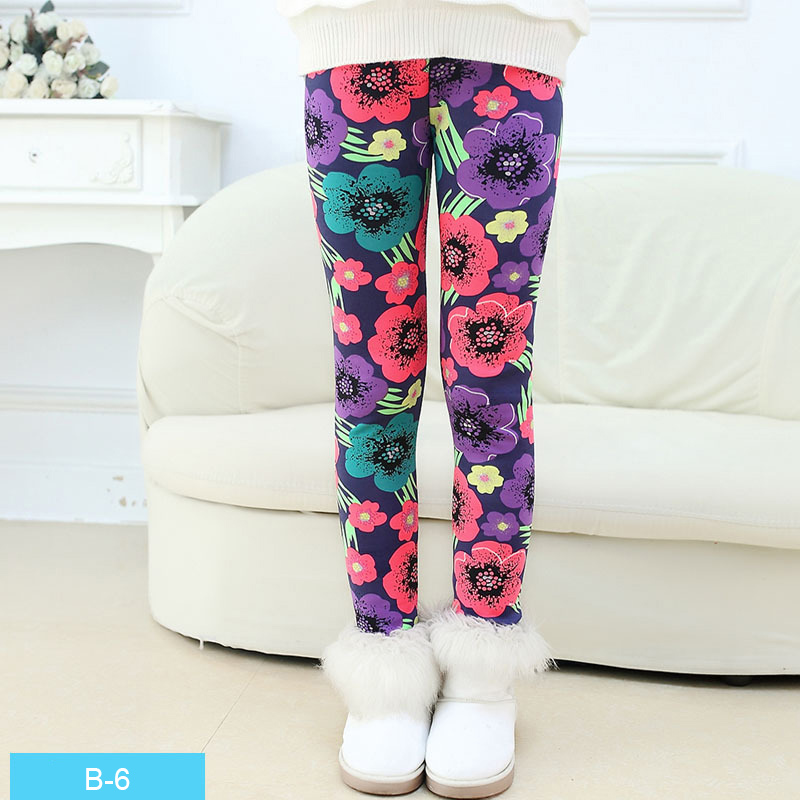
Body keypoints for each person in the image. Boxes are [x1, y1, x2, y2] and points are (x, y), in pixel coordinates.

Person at [275, 0, 591, 796]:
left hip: (516, 33)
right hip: (353, 32)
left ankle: (483, 671)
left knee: (492, 379)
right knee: (370, 382)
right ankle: (383, 659)